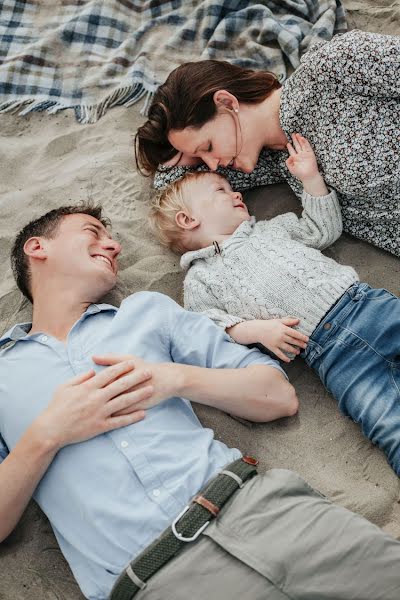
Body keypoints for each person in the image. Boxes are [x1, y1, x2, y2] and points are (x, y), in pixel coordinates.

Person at [1, 206, 399, 600]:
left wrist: (173, 378)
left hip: (259, 509)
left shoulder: (147, 311)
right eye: (93, 232)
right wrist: (46, 434)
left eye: (112, 237)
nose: (114, 245)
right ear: (38, 248)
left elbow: (277, 396)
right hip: (156, 580)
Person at [150, 133, 400, 476]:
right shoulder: (199, 280)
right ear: (187, 220)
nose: (236, 193)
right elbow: (207, 323)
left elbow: (321, 229)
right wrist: (256, 330)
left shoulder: (270, 229)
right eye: (221, 191)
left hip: (368, 308)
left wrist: (311, 179)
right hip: (331, 357)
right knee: (387, 424)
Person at [135, 29, 400, 257]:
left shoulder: (329, 68)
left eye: (208, 147)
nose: (212, 164)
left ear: (227, 103)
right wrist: (183, 151)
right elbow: (173, 190)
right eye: (200, 158)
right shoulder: (275, 161)